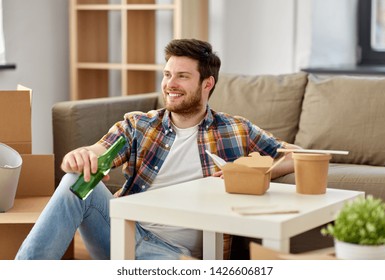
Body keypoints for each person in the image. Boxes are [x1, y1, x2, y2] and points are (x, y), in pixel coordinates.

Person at [15, 38, 300, 260]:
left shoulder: (236, 130)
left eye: (182, 77)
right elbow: (98, 151)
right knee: (75, 182)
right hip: (122, 234)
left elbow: (298, 156)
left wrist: (253, 172)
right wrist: (81, 156)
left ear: (207, 84)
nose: (169, 85)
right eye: (167, 74)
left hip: (176, 254)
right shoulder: (139, 124)